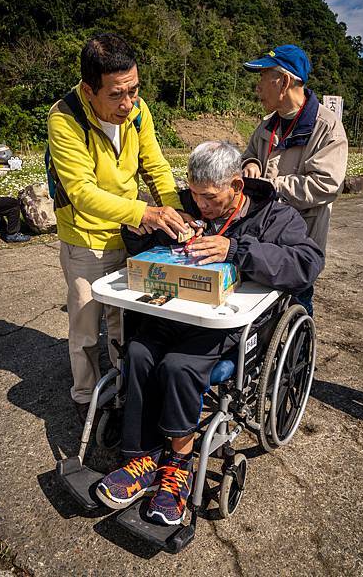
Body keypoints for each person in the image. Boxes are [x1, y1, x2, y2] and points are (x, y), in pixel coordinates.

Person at [95, 141, 324, 526]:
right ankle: (144, 456)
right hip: (176, 311)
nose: (200, 204)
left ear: (237, 185)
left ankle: (179, 464)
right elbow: (154, 251)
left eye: (209, 197)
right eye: (194, 193)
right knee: (137, 351)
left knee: (179, 366)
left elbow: (307, 262)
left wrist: (236, 248)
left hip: (230, 325)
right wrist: (140, 231)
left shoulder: (275, 216)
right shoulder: (187, 205)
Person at [47, 33, 189, 425]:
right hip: (86, 239)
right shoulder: (65, 118)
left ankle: (121, 385)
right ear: (90, 90)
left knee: (121, 319)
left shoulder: (138, 112)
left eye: (134, 90)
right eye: (116, 95)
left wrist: (174, 213)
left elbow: (155, 165)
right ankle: (84, 395)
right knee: (86, 325)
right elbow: (82, 193)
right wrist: (146, 212)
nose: (128, 103)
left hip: (126, 232)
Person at [242, 44, 348, 315]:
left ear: (284, 81)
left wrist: (270, 187)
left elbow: (325, 184)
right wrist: (251, 164)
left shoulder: (326, 127)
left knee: (296, 305)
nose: (258, 87)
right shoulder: (268, 123)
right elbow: (250, 153)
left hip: (298, 241)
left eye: (263, 77)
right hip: (263, 238)